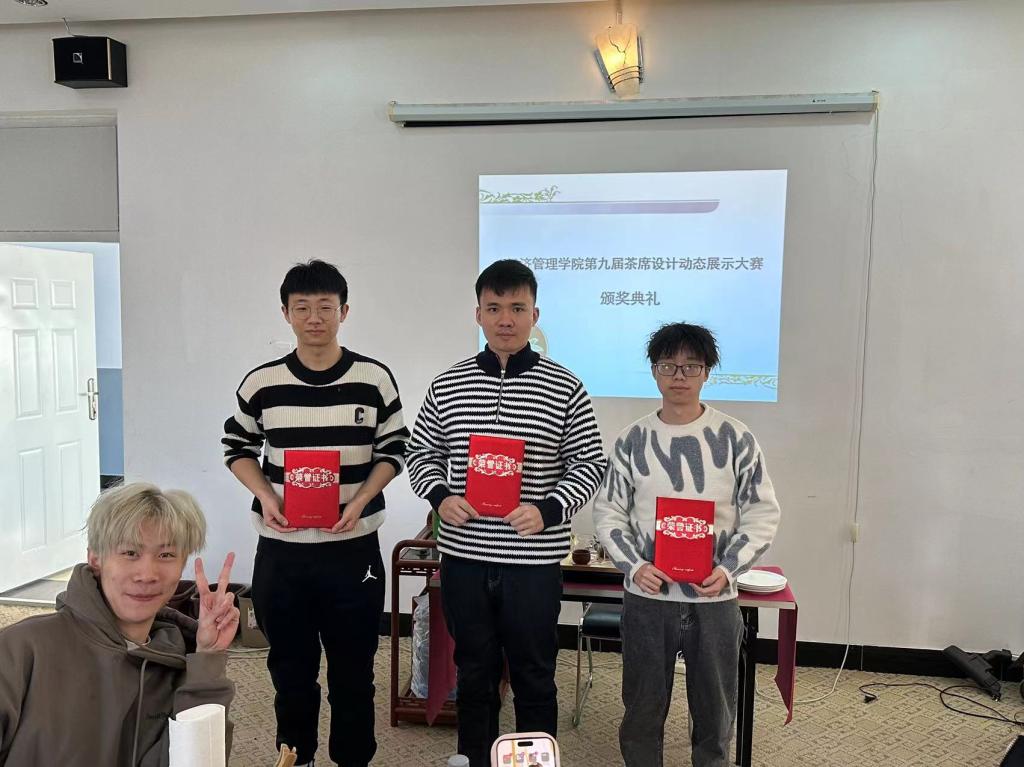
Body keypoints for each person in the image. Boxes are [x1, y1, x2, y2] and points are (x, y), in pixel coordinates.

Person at [407, 259, 606, 767]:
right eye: (494, 308)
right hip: (465, 558)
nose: (506, 319)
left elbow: (590, 462)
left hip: (532, 563)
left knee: (534, 674)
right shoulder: (448, 384)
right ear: (478, 314)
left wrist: (549, 509)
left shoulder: (566, 386)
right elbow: (420, 453)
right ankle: (475, 758)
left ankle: (533, 762)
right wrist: (440, 497)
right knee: (473, 672)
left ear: (535, 314)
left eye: (517, 307)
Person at [222, 259, 409, 767]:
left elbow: (395, 448)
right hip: (283, 553)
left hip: (354, 551)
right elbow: (237, 447)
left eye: (326, 307)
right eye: (302, 307)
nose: (314, 318)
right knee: (290, 671)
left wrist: (361, 499)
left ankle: (353, 759)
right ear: (285, 313)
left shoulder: (374, 379)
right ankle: (296, 758)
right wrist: (266, 495)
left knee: (354, 673)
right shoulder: (262, 383)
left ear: (344, 311)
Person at [593, 323, 781, 767]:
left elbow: (762, 512)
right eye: (668, 366)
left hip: (714, 598)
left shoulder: (735, 438)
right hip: (647, 597)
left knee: (715, 710)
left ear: (707, 371)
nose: (679, 376)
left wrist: (729, 568)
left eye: (691, 366)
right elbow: (608, 512)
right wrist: (635, 565)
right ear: (654, 371)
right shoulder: (632, 440)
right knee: (641, 707)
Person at [0, 482, 237, 767]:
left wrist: (208, 659)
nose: (147, 574)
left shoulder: (184, 664)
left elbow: (194, 762)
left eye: (166, 555)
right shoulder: (20, 648)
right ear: (95, 559)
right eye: (130, 553)